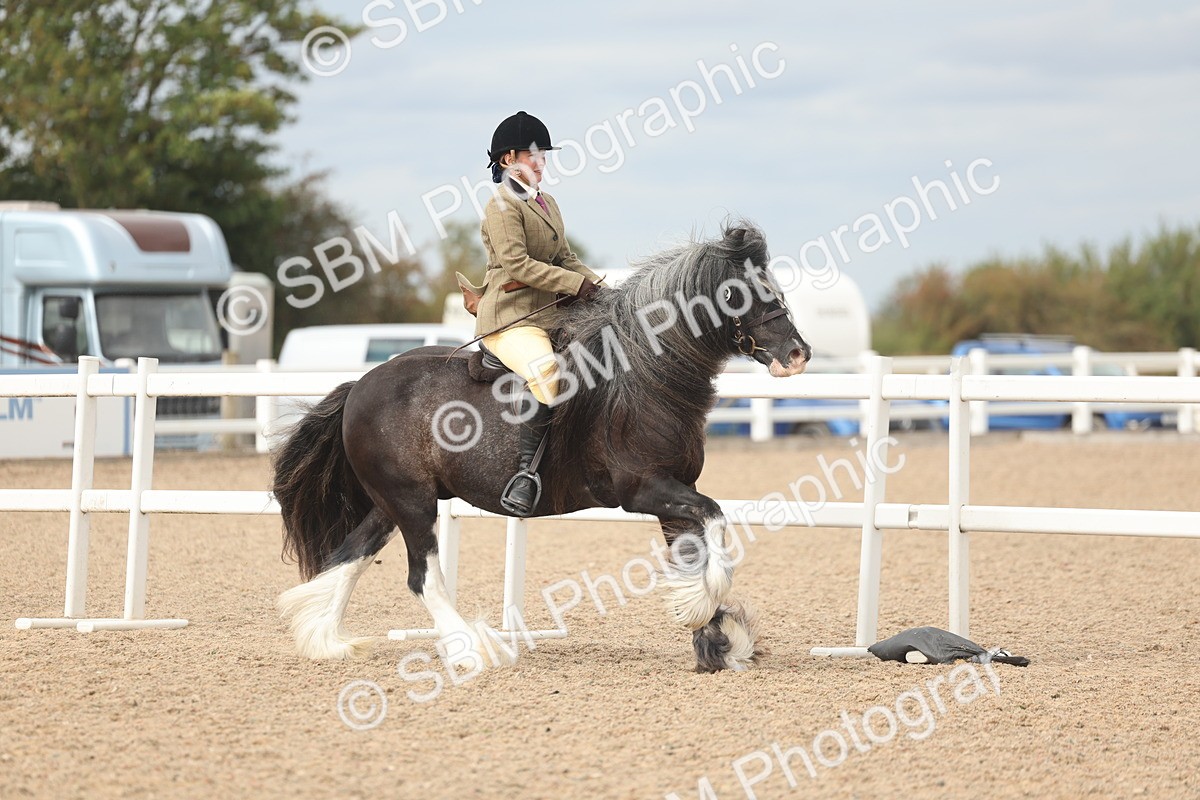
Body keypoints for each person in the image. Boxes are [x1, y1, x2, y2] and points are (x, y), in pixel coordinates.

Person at [473, 111, 605, 516]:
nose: (543, 165)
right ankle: (526, 475)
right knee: (549, 377)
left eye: (544, 158)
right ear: (510, 158)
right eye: (536, 157)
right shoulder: (501, 206)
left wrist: (600, 290)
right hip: (511, 319)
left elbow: (566, 258)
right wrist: (572, 286)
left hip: (550, 315)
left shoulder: (547, 203)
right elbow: (517, 265)